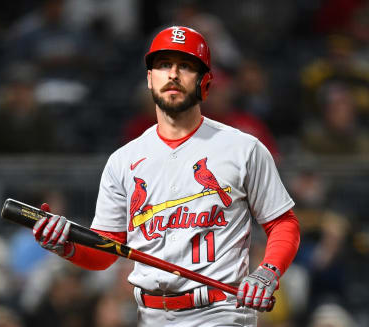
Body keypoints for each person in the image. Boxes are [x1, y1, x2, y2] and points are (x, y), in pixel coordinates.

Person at [32, 26, 300, 326]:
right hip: (150, 315)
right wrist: (66, 244)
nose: (173, 74)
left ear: (205, 83)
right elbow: (106, 250)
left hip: (220, 312)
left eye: (185, 66)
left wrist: (267, 271)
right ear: (149, 79)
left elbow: (282, 222)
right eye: (163, 65)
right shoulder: (124, 160)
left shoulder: (243, 148)